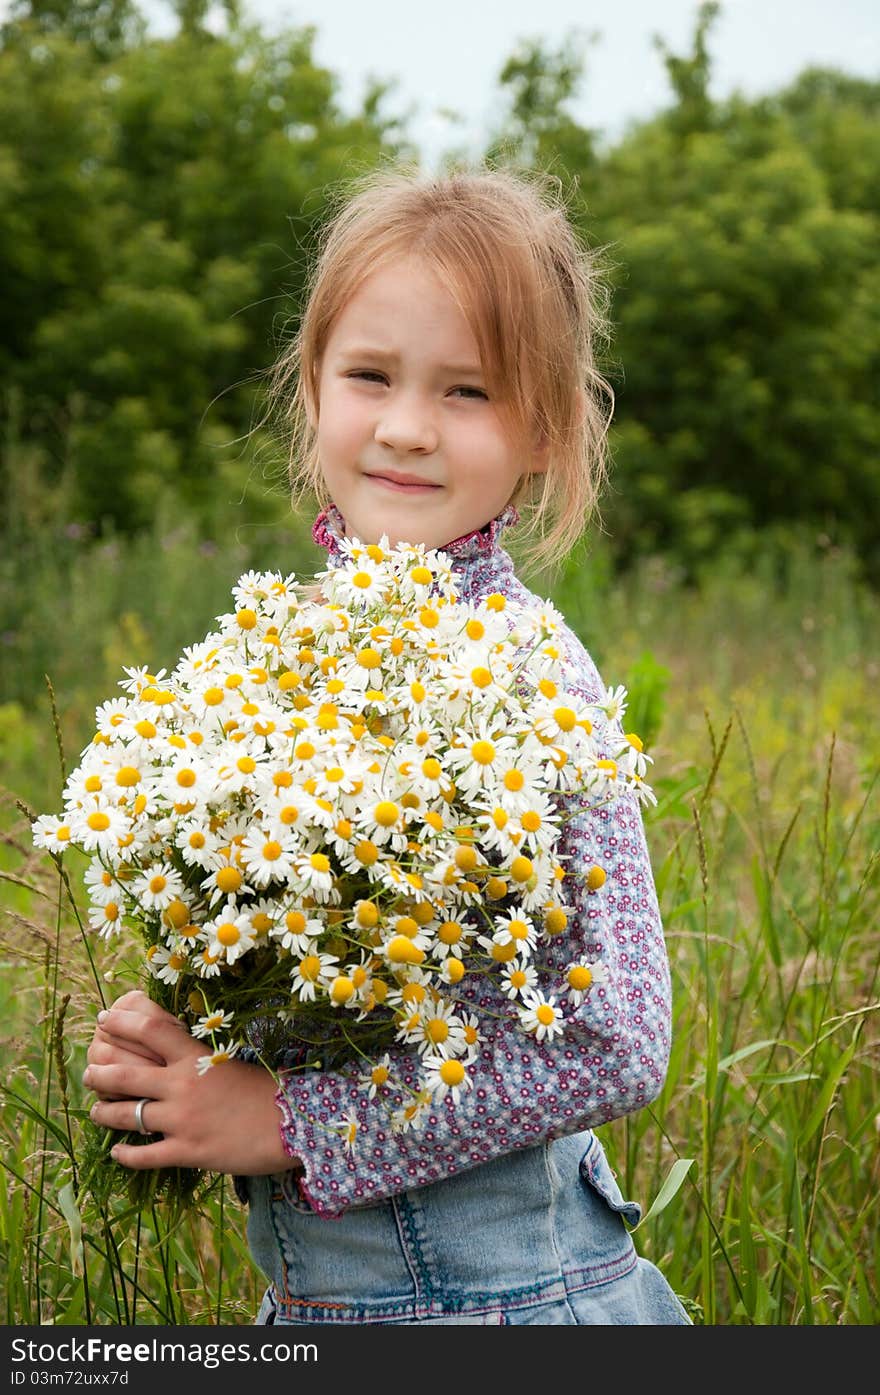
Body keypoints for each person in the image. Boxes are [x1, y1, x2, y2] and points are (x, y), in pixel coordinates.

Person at [83, 165, 690, 1326]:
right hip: (326, 1301)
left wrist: (284, 1121)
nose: (407, 428)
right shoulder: (289, 652)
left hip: (499, 1298)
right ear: (308, 388)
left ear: (547, 431)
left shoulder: (524, 671)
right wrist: (188, 1025)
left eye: (468, 391)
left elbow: (617, 1040)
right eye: (369, 375)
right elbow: (349, 959)